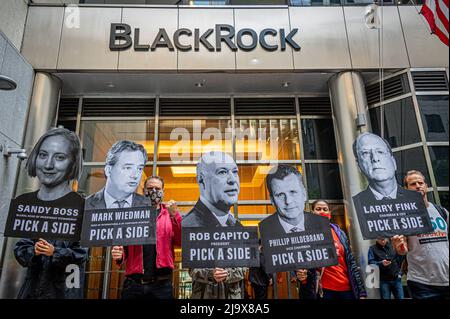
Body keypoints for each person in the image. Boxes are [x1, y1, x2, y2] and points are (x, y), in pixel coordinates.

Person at [14, 128, 88, 299]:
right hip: (32, 290)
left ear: (72, 163)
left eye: (60, 157)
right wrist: (35, 250)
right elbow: (20, 249)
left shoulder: (82, 210)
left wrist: (54, 251)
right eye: (43, 155)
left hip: (63, 291)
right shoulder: (30, 206)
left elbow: (81, 254)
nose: (48, 165)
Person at [182, 151, 246, 299]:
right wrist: (211, 274)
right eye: (222, 172)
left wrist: (228, 274)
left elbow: (244, 267)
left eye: (235, 172)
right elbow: (192, 269)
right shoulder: (190, 225)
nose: (232, 180)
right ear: (202, 180)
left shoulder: (239, 228)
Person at [111, 175, 182, 299]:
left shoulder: (169, 214)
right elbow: (124, 246)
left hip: (162, 284)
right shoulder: (132, 214)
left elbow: (181, 241)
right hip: (134, 284)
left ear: (163, 192)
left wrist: (175, 215)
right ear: (144, 191)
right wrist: (119, 254)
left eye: (157, 188)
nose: (154, 191)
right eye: (150, 188)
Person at [391, 170, 449, 299]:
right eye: (413, 184)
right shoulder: (402, 216)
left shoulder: (442, 212)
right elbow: (402, 250)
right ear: (406, 189)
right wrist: (399, 247)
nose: (418, 186)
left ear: (426, 186)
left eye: (420, 182)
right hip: (422, 284)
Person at [300, 200, 367, 300]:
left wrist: (361, 292)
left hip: (346, 289)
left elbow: (351, 262)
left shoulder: (340, 233)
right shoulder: (306, 235)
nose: (322, 211)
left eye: (325, 209)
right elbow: (302, 261)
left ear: (329, 214)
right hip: (325, 291)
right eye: (318, 209)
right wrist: (302, 275)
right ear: (313, 213)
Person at [259, 164, 321, 234]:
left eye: (293, 192)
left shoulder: (323, 225)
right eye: (280, 195)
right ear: (272, 200)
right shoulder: (263, 232)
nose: (288, 201)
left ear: (304, 194)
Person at [352, 132, 413, 201]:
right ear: (358, 165)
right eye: (366, 153)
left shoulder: (415, 199)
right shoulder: (355, 203)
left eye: (380, 152)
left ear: (393, 161)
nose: (375, 158)